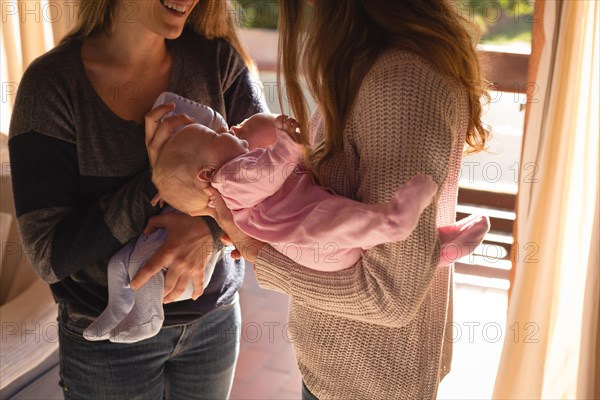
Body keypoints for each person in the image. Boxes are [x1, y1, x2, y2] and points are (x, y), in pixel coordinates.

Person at [144, 0, 492, 398]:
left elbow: (390, 295)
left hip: (370, 380)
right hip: (344, 369)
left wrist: (260, 254)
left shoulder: (399, 81)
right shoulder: (365, 63)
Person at [8, 0, 267, 398]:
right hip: (107, 348)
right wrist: (158, 182)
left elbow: (270, 184)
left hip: (213, 323)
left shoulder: (218, 62)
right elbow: (49, 255)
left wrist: (208, 229)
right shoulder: (51, 87)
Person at [152, 113, 490, 272]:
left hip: (312, 240)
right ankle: (395, 220)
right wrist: (286, 142)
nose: (225, 130)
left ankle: (438, 248)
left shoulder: (229, 178)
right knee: (347, 221)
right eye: (215, 136)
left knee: (355, 227)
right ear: (206, 173)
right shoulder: (228, 179)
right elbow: (269, 172)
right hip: (309, 234)